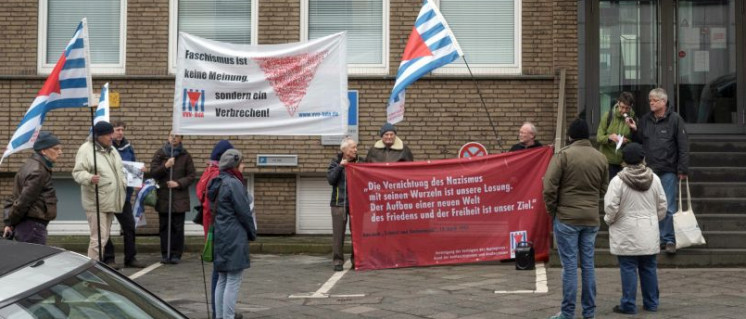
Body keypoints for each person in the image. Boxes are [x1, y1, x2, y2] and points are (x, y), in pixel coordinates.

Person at [543, 118, 609, 319]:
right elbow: (605, 188)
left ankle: (568, 312)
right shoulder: (601, 158)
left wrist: (553, 210)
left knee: (570, 266)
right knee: (588, 265)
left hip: (567, 217)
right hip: (590, 218)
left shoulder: (563, 156)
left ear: (570, 136)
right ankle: (589, 313)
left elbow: (549, 187)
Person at [604, 143, 667, 314]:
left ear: (623, 160)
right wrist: (653, 220)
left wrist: (609, 221)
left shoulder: (618, 181)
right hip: (648, 230)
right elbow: (662, 206)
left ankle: (629, 304)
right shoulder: (655, 179)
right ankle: (652, 303)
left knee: (628, 267)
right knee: (648, 267)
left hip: (626, 232)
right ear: (643, 158)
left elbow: (611, 207)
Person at [628, 88, 689, 255]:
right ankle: (655, 238)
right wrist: (634, 130)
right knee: (650, 207)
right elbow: (640, 141)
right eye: (650, 100)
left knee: (668, 206)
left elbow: (683, 145)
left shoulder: (675, 120)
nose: (651, 103)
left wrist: (682, 168)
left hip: (668, 169)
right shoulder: (646, 120)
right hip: (649, 170)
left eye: (654, 100)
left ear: (664, 102)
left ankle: (668, 239)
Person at [207, 149, 257, 319]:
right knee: (234, 280)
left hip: (221, 234)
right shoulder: (234, 184)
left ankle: (220, 316)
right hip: (234, 235)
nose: (243, 166)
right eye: (241, 163)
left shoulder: (217, 181)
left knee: (222, 279)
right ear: (234, 165)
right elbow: (244, 212)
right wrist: (252, 233)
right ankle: (228, 317)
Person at [72, 121, 127, 261]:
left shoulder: (112, 150)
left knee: (104, 237)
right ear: (98, 136)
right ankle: (92, 270)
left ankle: (98, 267)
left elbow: (119, 170)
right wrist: (89, 177)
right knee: (98, 239)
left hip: (111, 200)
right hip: (96, 201)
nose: (111, 137)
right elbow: (77, 172)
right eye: (108, 134)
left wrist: (124, 183)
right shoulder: (86, 150)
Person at [196, 139, 234, 318]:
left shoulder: (207, 172)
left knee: (219, 272)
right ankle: (219, 312)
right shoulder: (217, 175)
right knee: (221, 274)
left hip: (210, 228)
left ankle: (219, 310)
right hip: (219, 228)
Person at [2, 132, 62, 244]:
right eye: (56, 148)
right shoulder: (38, 171)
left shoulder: (31, 165)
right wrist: (11, 223)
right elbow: (23, 201)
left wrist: (10, 223)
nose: (60, 152)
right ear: (43, 150)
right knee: (36, 260)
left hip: (28, 226)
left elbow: (15, 198)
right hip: (32, 227)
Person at [103, 121, 146, 268]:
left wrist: (139, 171)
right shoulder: (105, 148)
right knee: (105, 228)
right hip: (108, 194)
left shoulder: (128, 147)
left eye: (122, 130)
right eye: (117, 130)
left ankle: (130, 258)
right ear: (111, 132)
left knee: (129, 227)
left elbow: (132, 166)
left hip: (123, 196)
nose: (120, 132)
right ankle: (109, 258)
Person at [150, 131, 196, 264]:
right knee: (164, 227)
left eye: (177, 136)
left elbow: (191, 176)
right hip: (164, 197)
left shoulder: (185, 156)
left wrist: (178, 183)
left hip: (179, 198)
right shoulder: (160, 153)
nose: (174, 138)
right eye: (171, 135)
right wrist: (165, 166)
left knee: (177, 227)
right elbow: (153, 172)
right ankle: (165, 253)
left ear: (181, 138)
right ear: (168, 137)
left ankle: (176, 254)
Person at [327, 137, 358, 271]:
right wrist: (341, 166)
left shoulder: (360, 162)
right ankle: (338, 261)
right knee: (338, 235)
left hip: (356, 204)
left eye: (356, 147)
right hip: (338, 204)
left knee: (356, 234)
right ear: (345, 150)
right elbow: (331, 180)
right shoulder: (335, 162)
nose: (356, 150)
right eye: (353, 148)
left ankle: (356, 261)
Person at [596, 92, 637, 179]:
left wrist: (627, 141)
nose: (624, 110)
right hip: (608, 162)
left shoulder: (633, 119)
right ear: (618, 103)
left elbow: (636, 140)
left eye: (627, 108)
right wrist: (610, 138)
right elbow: (599, 138)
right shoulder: (608, 116)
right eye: (622, 107)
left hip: (624, 163)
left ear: (631, 106)